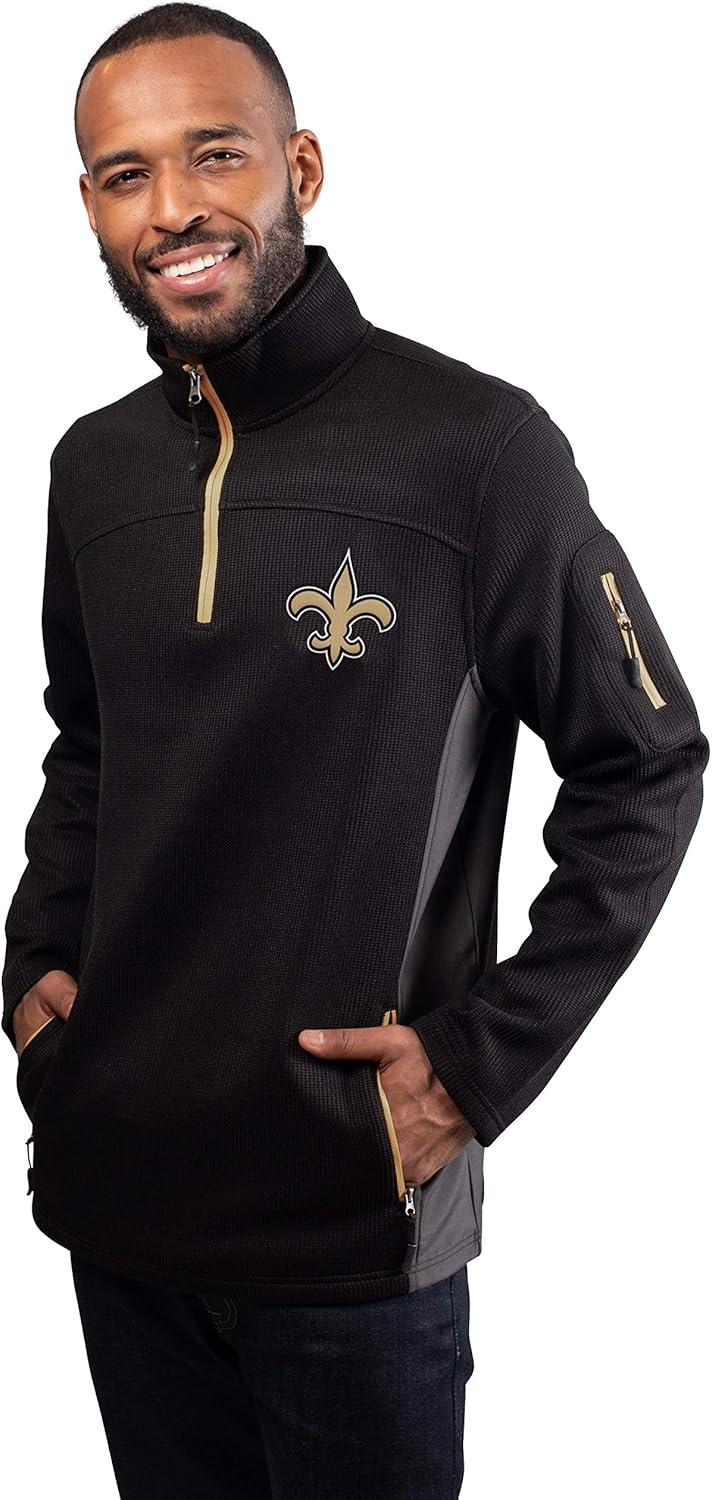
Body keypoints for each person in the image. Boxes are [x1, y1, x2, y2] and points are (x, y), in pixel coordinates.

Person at [2, 5, 708, 1498]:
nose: (172, 207)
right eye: (125, 174)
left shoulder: (477, 448)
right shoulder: (93, 467)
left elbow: (647, 761)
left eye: (215, 155)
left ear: (301, 169)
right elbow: (89, 745)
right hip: (117, 1203)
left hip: (352, 1224)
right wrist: (32, 974)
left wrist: (479, 1063)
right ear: (91, 206)